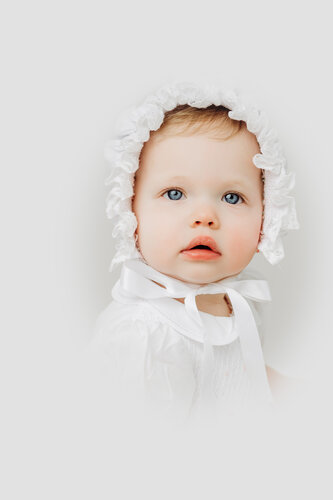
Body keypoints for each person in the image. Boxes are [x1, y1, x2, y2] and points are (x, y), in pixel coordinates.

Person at [88, 81, 300, 427]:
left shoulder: (241, 304)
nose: (204, 217)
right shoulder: (143, 336)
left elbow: (240, 378)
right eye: (174, 194)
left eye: (232, 197)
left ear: (268, 214)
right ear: (130, 209)